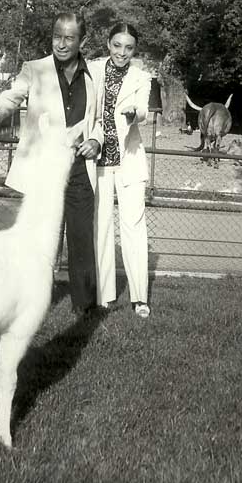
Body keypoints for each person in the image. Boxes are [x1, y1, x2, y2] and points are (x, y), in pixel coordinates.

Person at [0, 12, 104, 318]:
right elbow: (13, 94)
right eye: (56, 37)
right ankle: (32, 299)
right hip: (43, 168)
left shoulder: (93, 75)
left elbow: (99, 120)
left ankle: (84, 308)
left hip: (77, 167)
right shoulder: (34, 69)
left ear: (82, 41)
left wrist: (96, 141)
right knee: (38, 238)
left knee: (81, 238)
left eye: (69, 38)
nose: (61, 44)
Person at [87, 23, 152, 318]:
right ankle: (104, 295)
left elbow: (143, 111)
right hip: (98, 162)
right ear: (108, 44)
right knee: (100, 228)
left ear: (134, 50)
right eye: (117, 45)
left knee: (134, 228)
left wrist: (133, 114)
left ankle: (140, 298)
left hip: (129, 161)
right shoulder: (94, 69)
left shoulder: (141, 77)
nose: (122, 53)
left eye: (128, 48)